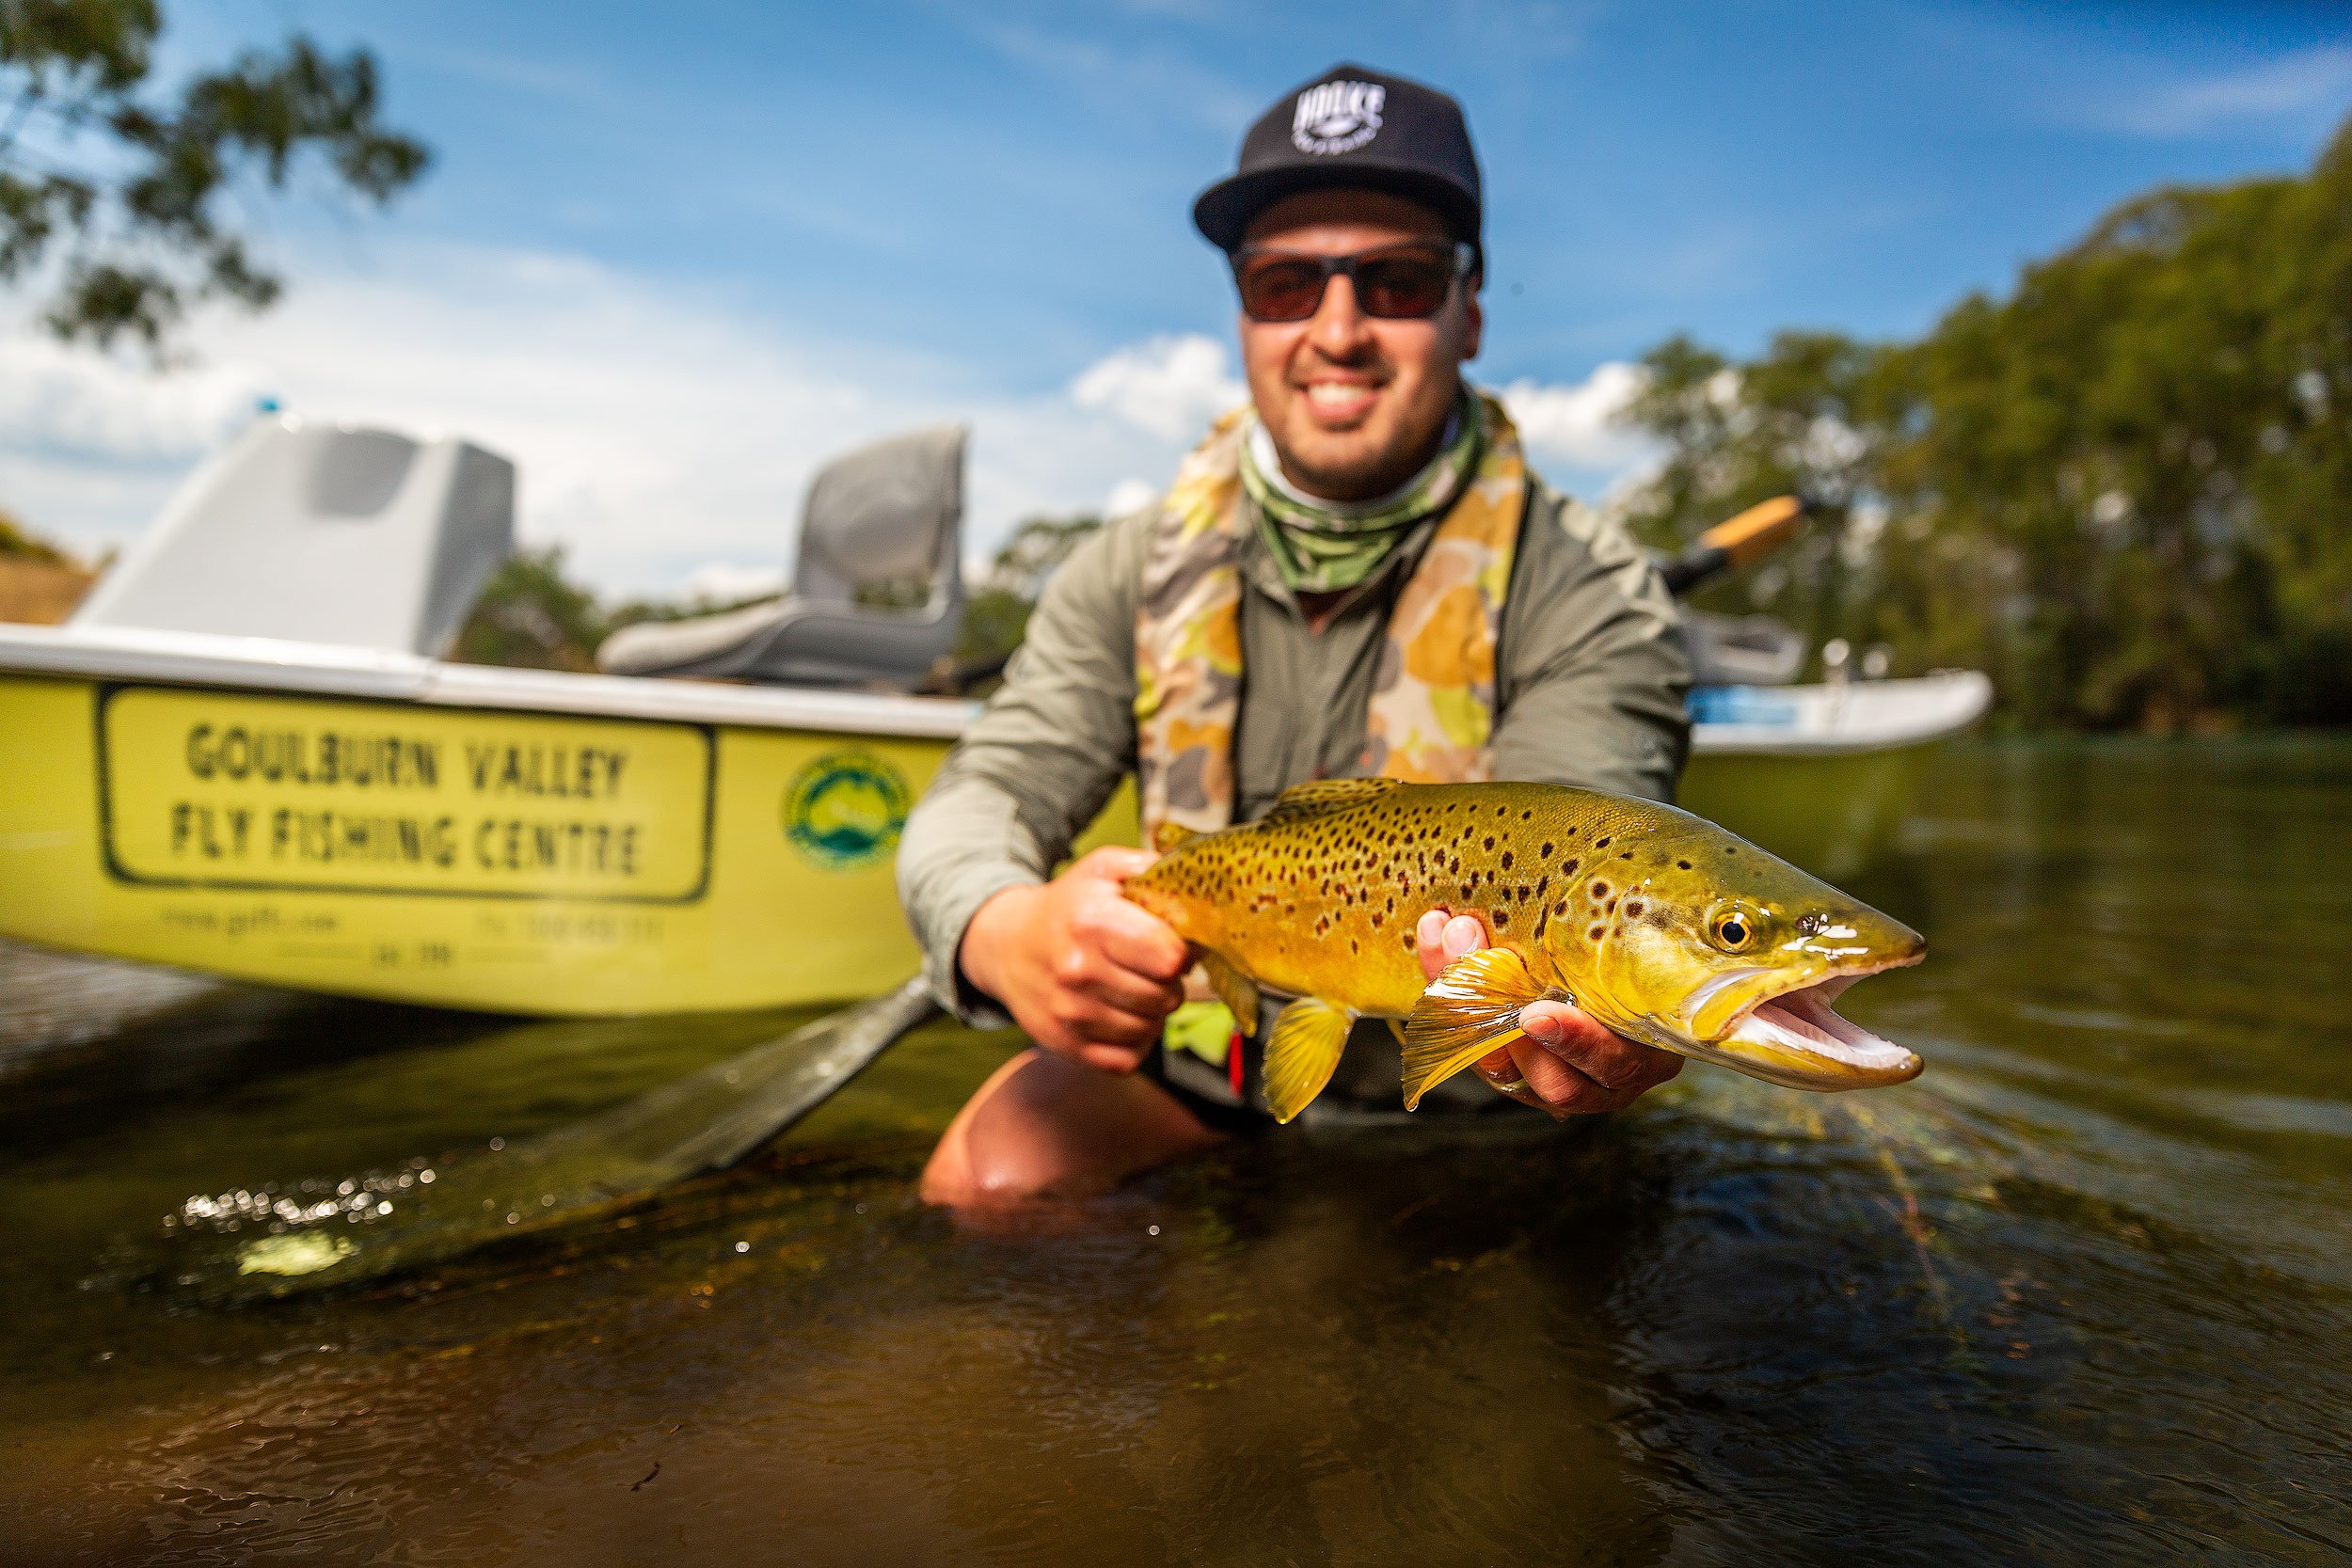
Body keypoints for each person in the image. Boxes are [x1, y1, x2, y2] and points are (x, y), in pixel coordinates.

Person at [899, 64, 1692, 1207]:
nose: (1337, 330)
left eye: (1397, 280)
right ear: (1242, 317)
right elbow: (981, 794)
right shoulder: (1124, 565)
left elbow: (1589, 838)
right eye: (1283, 284)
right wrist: (998, 925)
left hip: (1492, 1108)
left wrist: (1604, 1019)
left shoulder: (1589, 586)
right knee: (991, 1174)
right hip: (1209, 1069)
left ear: (1469, 311)